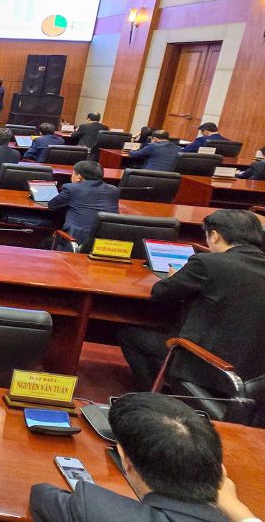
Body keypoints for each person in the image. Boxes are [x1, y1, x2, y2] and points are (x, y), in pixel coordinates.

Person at [30, 392, 258, 522]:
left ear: (126, 461)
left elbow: (41, 494)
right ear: (218, 470)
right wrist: (237, 509)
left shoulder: (95, 509)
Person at [118, 209, 265, 390]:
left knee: (128, 335)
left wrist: (176, 277)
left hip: (207, 363)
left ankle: (148, 395)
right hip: (255, 376)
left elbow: (160, 292)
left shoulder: (207, 263)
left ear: (215, 236)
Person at [47, 160, 120, 248]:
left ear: (79, 177)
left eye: (73, 174)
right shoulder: (114, 190)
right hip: (106, 241)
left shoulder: (72, 188)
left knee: (46, 242)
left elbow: (52, 205)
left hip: (74, 240)